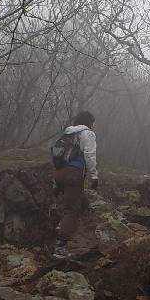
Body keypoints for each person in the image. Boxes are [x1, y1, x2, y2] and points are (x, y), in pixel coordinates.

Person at [52, 110, 98, 258]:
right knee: (71, 211)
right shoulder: (87, 133)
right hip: (74, 174)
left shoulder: (67, 133)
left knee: (80, 202)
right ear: (88, 122)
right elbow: (89, 155)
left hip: (59, 174)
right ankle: (60, 247)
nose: (92, 126)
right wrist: (94, 176)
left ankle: (62, 226)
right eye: (92, 123)